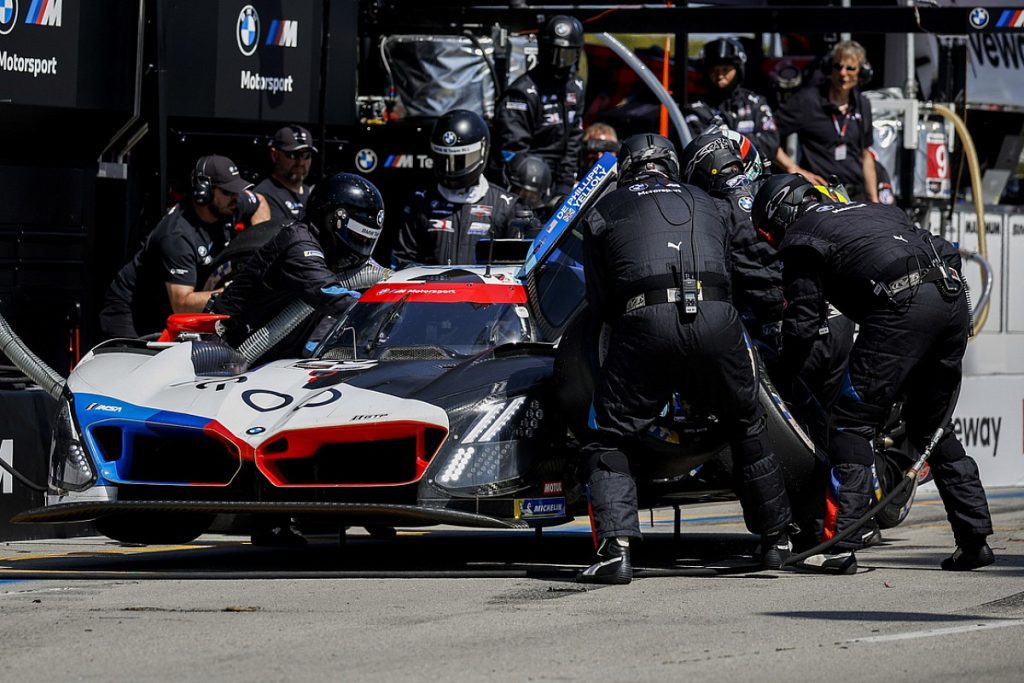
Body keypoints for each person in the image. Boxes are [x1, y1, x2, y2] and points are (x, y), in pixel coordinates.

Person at [576, 133, 795, 584]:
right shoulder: (710, 201)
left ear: (627, 168)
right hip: (718, 317)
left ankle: (616, 551)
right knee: (745, 421)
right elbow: (744, 271)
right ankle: (777, 541)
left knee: (606, 435)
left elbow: (600, 307)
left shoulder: (601, 210)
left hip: (645, 320)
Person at [751, 174, 995, 574]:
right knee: (931, 426)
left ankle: (840, 545)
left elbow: (804, 325)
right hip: (950, 299)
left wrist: (781, 373)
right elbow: (946, 253)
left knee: (850, 423)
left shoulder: (802, 237)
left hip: (904, 305)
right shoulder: (877, 209)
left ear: (778, 217)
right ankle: (974, 539)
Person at [212, 172, 384, 363]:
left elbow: (378, 275)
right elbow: (331, 295)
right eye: (359, 237)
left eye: (368, 240)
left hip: (275, 357)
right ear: (332, 220)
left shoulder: (331, 250)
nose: (361, 244)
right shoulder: (299, 245)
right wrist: (385, 310)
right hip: (229, 351)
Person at [100, 155, 250, 339]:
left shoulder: (231, 204)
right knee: (142, 363)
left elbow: (260, 203)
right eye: (228, 191)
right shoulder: (177, 236)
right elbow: (182, 303)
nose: (236, 197)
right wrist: (234, 290)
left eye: (237, 191)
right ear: (204, 192)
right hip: (132, 312)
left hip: (167, 307)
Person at [393, 109, 520, 268]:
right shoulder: (419, 201)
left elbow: (516, 270)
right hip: (430, 292)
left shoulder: (505, 206)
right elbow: (402, 262)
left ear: (482, 151)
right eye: (444, 159)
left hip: (483, 292)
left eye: (460, 161)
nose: (451, 169)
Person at [773, 41, 879, 203]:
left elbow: (865, 155)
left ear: (861, 73)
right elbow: (768, 136)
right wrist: (793, 169)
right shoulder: (807, 100)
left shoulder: (862, 104)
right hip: (820, 195)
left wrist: (874, 200)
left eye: (850, 68)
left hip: (855, 195)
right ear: (830, 68)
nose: (843, 73)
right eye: (838, 66)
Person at [492, 15, 586, 195]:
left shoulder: (576, 87)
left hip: (560, 179)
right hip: (526, 181)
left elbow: (574, 139)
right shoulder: (521, 93)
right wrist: (534, 186)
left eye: (566, 56)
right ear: (543, 51)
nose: (560, 63)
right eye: (554, 54)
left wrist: (565, 185)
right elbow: (513, 148)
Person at [683, 37, 780, 164]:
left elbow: (771, 145)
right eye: (714, 70)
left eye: (725, 69)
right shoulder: (696, 109)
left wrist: (726, 139)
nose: (720, 76)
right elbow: (699, 149)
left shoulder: (755, 103)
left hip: (756, 177)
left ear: (739, 69)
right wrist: (747, 142)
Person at [255, 124, 317, 222]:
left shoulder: (313, 195)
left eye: (306, 155)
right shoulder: (263, 196)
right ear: (275, 155)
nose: (301, 162)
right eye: (293, 155)